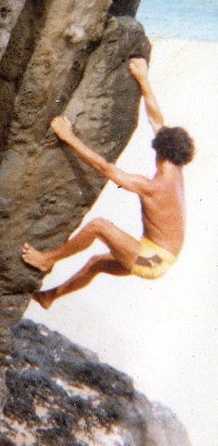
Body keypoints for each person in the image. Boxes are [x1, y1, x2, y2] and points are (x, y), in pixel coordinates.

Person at [21, 58, 195, 309]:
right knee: (97, 263)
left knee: (99, 226)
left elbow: (105, 168)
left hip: (152, 260)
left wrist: (69, 137)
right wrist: (143, 79)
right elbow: (156, 118)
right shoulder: (175, 164)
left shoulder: (153, 186)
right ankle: (49, 297)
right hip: (161, 256)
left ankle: (48, 259)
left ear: (161, 151)